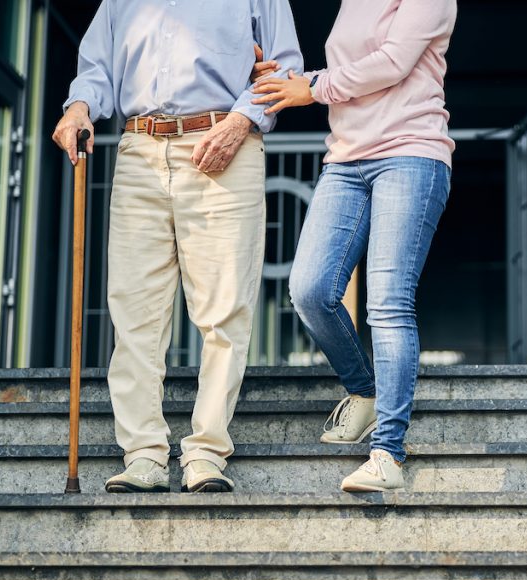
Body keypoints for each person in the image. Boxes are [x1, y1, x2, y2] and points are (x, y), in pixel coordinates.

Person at [52, 0, 303, 493]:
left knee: (225, 310)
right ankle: (143, 453)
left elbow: (287, 68)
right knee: (134, 311)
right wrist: (78, 107)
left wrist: (240, 122)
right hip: (139, 149)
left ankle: (206, 453)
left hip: (224, 143)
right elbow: (96, 68)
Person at [250, 0, 457, 492]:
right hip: (346, 161)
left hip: (410, 153)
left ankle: (387, 451)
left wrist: (313, 88)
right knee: (310, 289)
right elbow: (349, 69)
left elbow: (391, 63)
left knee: (387, 302)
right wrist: (287, 79)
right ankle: (364, 392)